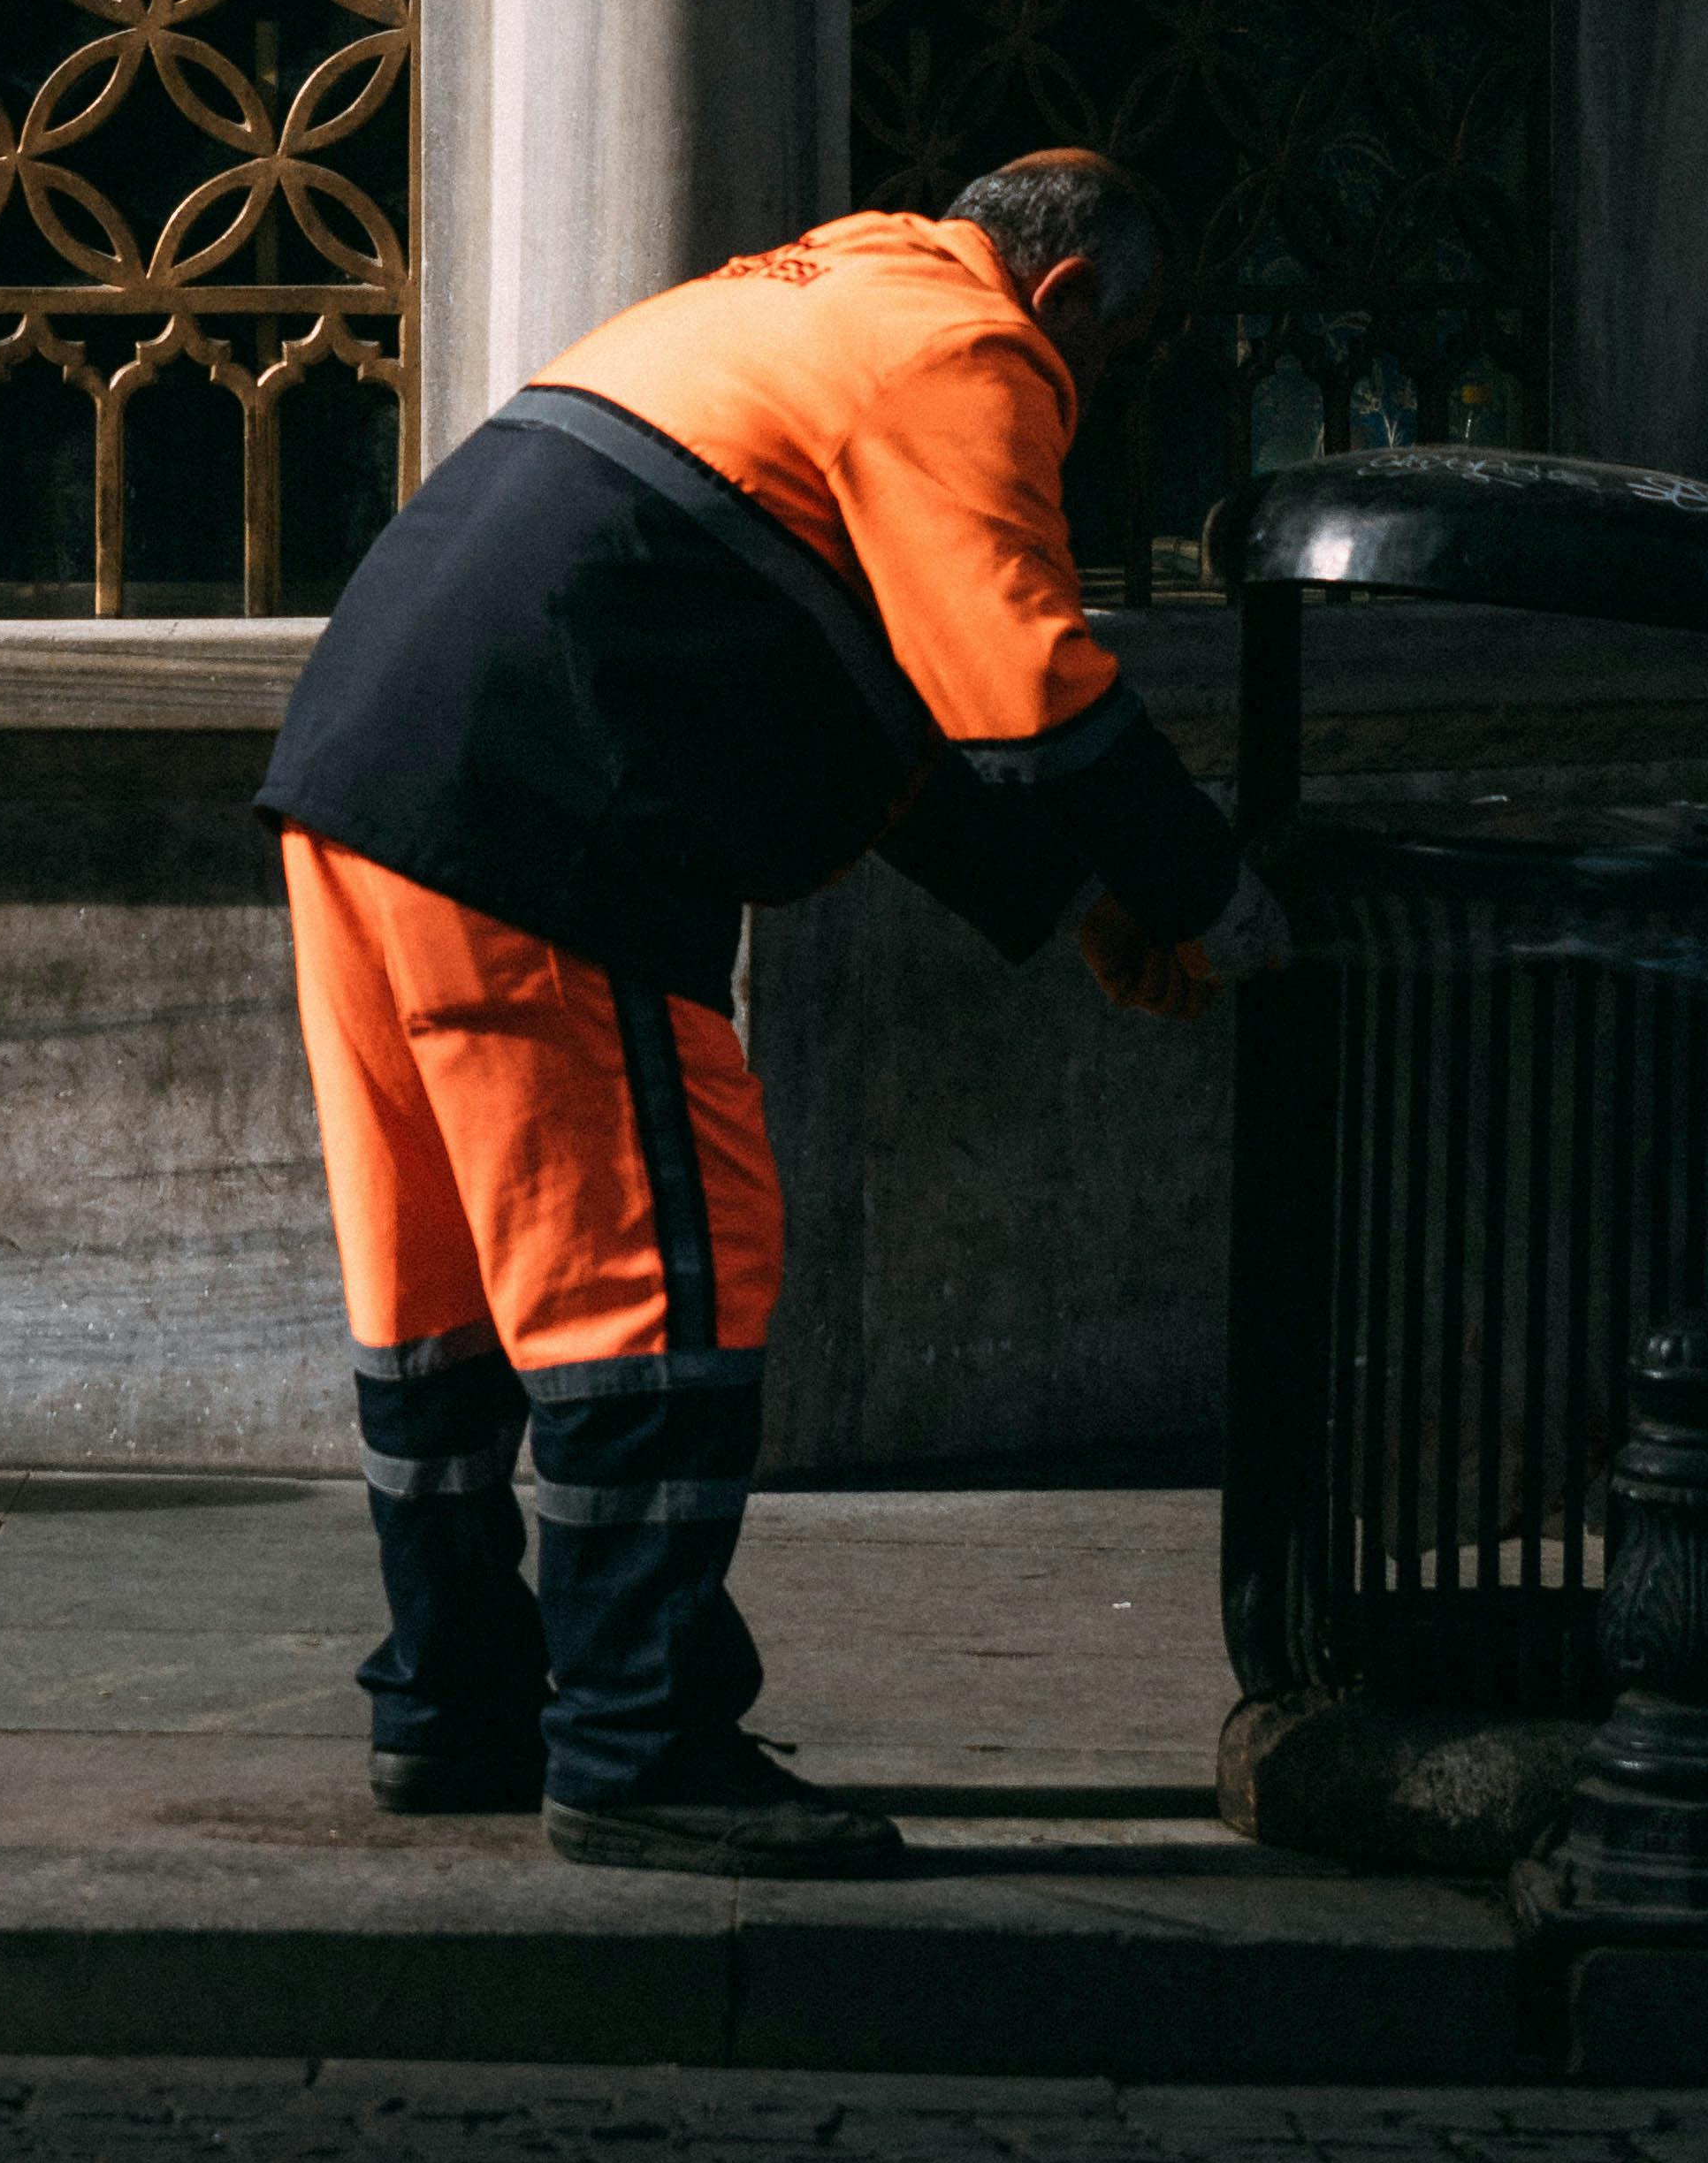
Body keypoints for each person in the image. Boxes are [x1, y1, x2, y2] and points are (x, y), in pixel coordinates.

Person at [257, 149, 1286, 1878]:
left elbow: (862, 695)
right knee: (657, 1272)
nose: (1088, 405)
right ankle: (639, 1745)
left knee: (437, 1283)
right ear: (1071, 300)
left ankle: (453, 1700)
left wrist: (1077, 898)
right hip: (546, 809)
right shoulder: (967, 351)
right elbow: (1021, 688)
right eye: (1116, 359)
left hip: (370, 769)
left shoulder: (793, 295)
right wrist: (1207, 897)